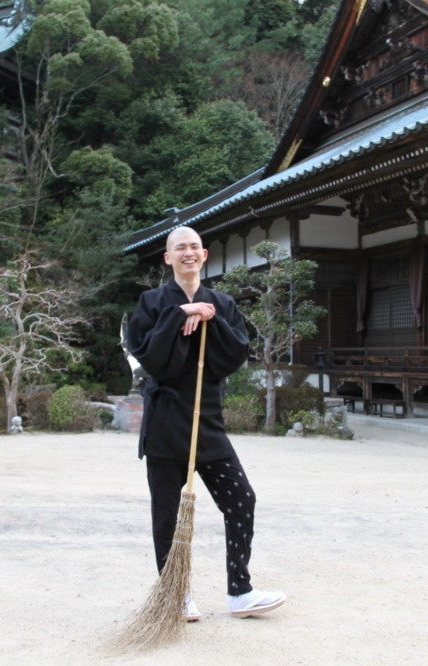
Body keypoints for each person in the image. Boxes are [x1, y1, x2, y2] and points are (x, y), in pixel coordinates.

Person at [126, 225, 287, 621]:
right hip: (166, 421)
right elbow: (152, 361)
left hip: (206, 418)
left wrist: (209, 319)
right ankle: (176, 595)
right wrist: (179, 314)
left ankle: (240, 591)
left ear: (204, 254)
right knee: (166, 514)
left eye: (194, 247)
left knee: (241, 498)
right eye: (180, 248)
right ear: (168, 257)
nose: (188, 253)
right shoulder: (150, 302)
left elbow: (233, 358)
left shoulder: (223, 302)